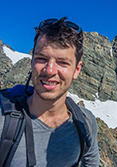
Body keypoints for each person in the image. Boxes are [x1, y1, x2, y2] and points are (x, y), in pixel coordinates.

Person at [0, 17, 100, 166]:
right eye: (42, 58)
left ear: (77, 70)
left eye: (62, 62)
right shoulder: (3, 121)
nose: (50, 70)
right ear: (31, 61)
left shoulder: (85, 122)